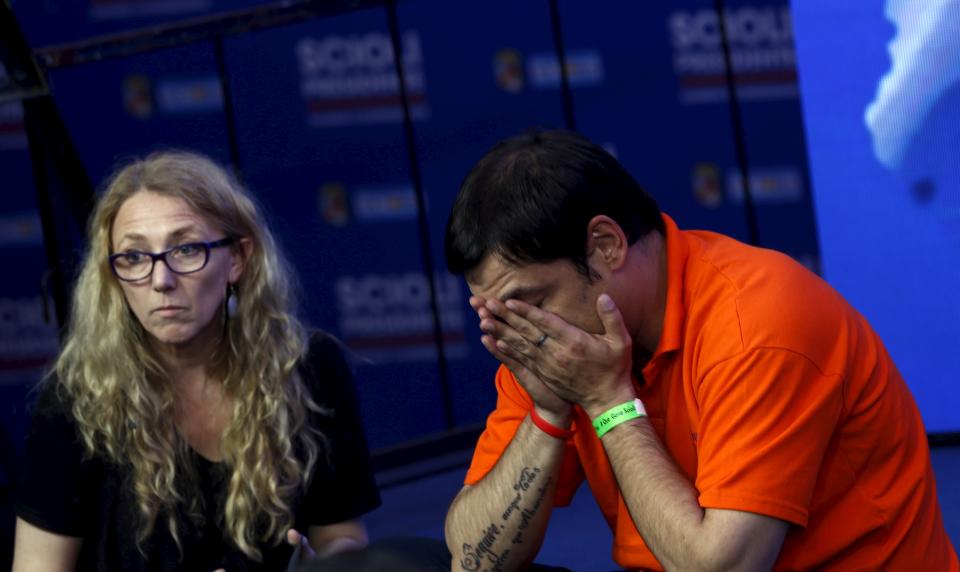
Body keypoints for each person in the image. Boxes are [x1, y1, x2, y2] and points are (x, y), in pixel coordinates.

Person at [442, 129, 959, 570]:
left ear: (606, 245)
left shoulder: (758, 322)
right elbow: (471, 558)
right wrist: (549, 411)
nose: (516, 329)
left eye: (527, 301)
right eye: (495, 312)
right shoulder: (552, 342)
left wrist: (607, 403)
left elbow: (722, 568)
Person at [12, 151, 381, 571]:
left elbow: (343, 537)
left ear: (237, 259)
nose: (160, 280)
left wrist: (321, 567)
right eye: (134, 257)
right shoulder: (77, 398)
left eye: (186, 249)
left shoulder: (308, 367)